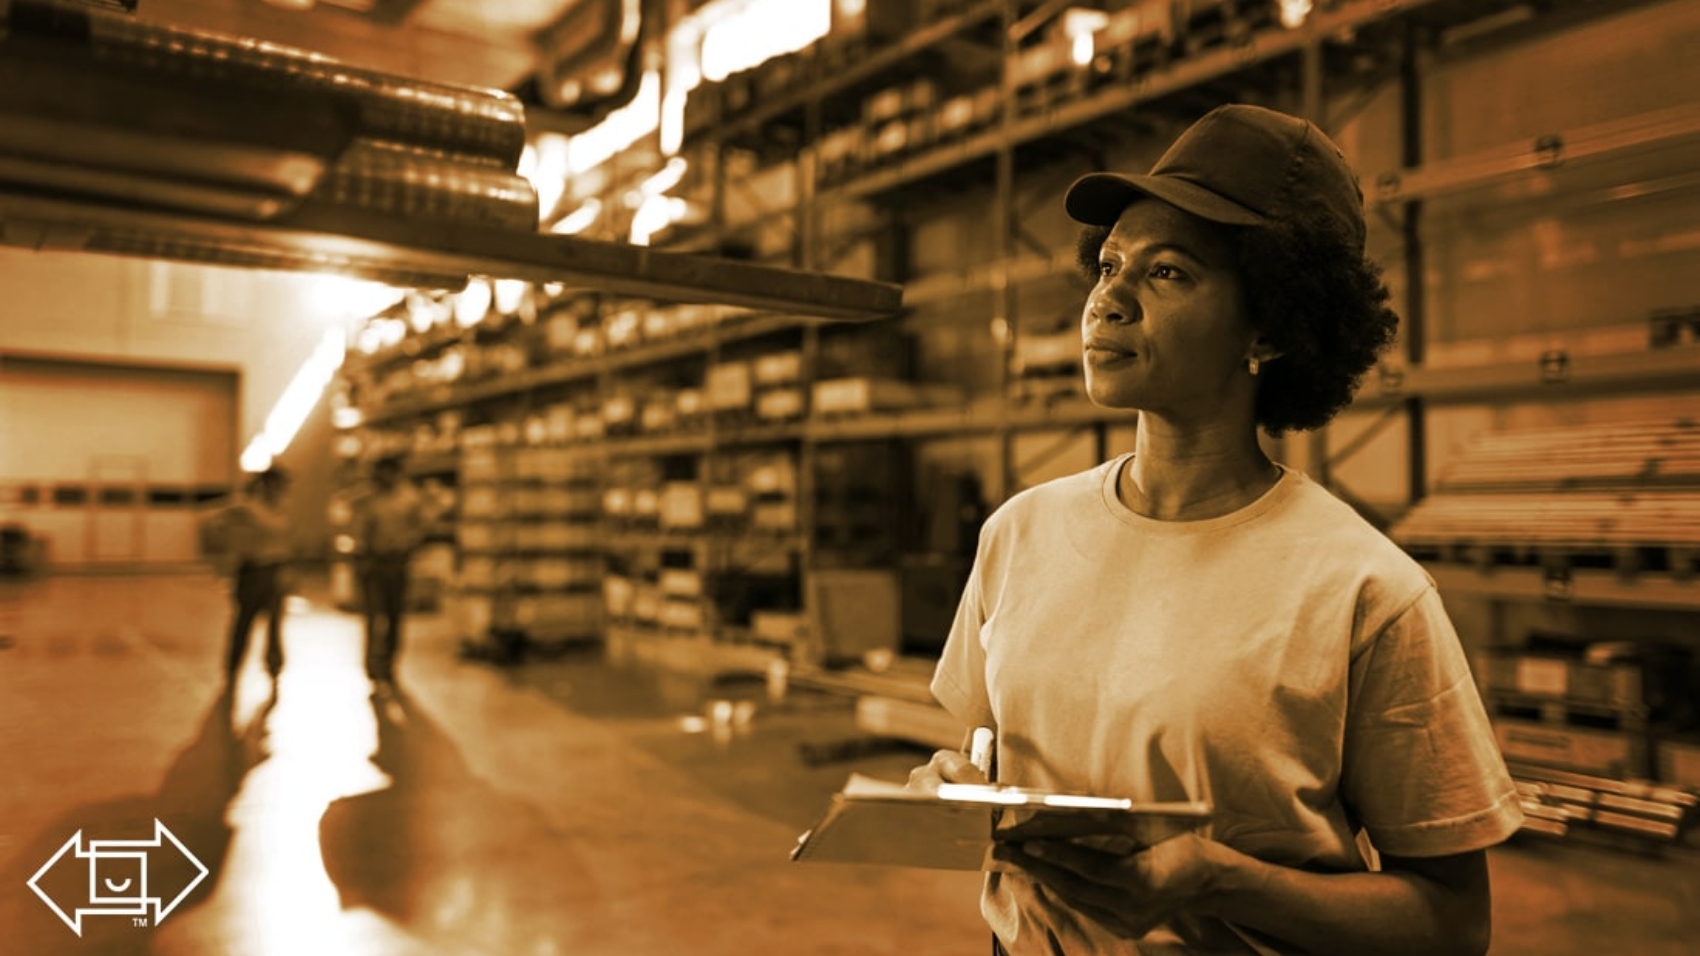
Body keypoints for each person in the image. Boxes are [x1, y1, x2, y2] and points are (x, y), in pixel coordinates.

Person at [909, 104, 1523, 956]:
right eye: (1109, 264)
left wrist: (1224, 882)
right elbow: (983, 753)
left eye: (1167, 273)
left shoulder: (1364, 591)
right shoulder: (1021, 533)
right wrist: (955, 788)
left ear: (1269, 326)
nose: (1108, 300)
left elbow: (1453, 925)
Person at [354, 455, 426, 695]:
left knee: (395, 617)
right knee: (374, 618)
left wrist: (408, 547)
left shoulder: (410, 498)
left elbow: (419, 528)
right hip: (374, 563)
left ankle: (390, 664)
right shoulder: (369, 499)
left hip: (398, 563)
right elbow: (361, 530)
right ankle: (373, 667)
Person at [218, 467, 294, 681]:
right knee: (244, 622)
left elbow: (287, 541)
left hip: (276, 568)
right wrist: (235, 554)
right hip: (253, 569)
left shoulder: (283, 509)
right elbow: (220, 524)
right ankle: (232, 669)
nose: (278, 489)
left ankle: (274, 668)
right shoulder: (248, 508)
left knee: (275, 624)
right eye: (275, 484)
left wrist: (288, 569)